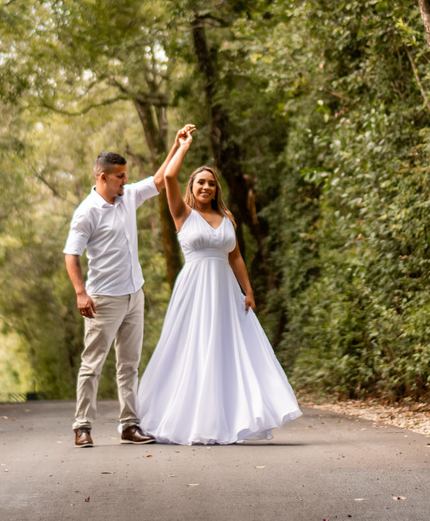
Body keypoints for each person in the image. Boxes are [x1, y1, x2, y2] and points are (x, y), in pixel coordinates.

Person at [137, 125, 301, 444]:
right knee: (192, 348)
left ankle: (232, 416)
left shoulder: (227, 218)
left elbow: (236, 256)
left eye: (212, 183)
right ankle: (189, 418)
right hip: (195, 291)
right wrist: (182, 146)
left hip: (226, 291)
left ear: (217, 189)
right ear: (192, 186)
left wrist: (248, 290)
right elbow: (168, 178)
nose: (207, 187)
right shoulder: (182, 214)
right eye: (201, 182)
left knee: (230, 350)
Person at [63, 127, 194, 448]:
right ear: (102, 177)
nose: (125, 180)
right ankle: (82, 426)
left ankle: (129, 424)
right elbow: (71, 255)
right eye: (120, 176)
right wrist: (81, 293)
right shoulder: (86, 213)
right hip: (103, 300)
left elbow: (161, 180)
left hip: (134, 295)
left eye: (125, 176)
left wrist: (179, 147)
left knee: (129, 365)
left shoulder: (128, 196)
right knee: (92, 364)